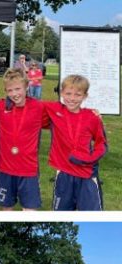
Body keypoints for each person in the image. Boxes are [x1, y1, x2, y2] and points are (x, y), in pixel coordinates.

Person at [43, 74, 107, 210]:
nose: (72, 98)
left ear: (85, 96)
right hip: (64, 174)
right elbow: (29, 105)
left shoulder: (92, 117)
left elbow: (102, 144)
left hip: (87, 175)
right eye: (68, 93)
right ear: (61, 93)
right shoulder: (54, 110)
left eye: (77, 95)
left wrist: (89, 159)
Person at [0, 69, 46, 211]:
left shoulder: (39, 107)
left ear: (26, 86)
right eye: (10, 90)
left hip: (28, 170)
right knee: (6, 209)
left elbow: (65, 115)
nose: (15, 94)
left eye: (18, 89)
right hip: (5, 169)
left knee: (30, 211)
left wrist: (92, 113)